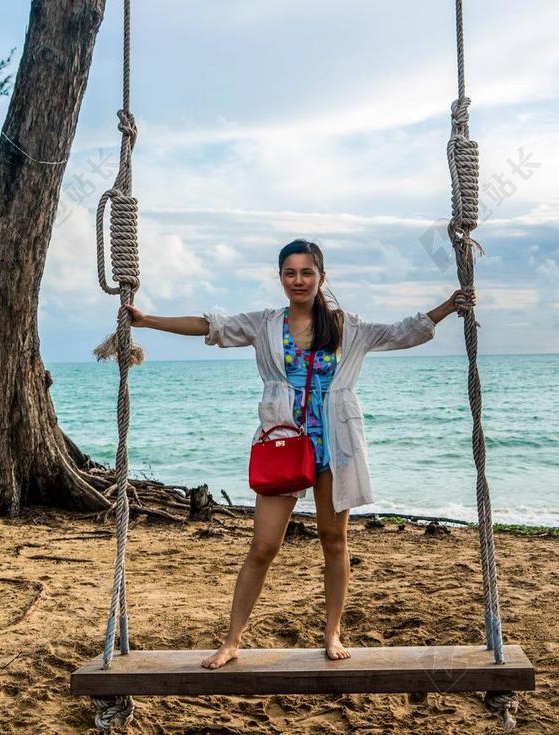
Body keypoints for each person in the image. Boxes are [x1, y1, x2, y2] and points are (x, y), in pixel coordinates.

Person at [120, 238, 476, 669]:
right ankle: (232, 641)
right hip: (283, 443)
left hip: (336, 444)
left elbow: (402, 332)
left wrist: (448, 307)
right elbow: (210, 325)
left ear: (322, 277)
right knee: (262, 546)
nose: (299, 280)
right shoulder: (266, 324)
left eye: (307, 272)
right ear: (281, 278)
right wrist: (147, 321)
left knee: (334, 540)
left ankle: (332, 633)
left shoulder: (346, 326)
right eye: (290, 273)